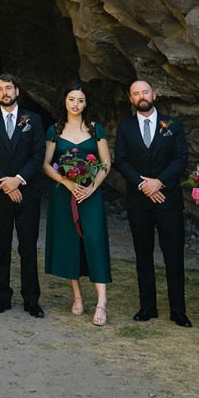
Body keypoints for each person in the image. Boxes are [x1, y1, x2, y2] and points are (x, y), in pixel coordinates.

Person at [113, 79, 191, 326]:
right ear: (131, 99)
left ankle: (178, 311)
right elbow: (121, 161)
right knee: (143, 255)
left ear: (154, 95)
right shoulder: (125, 127)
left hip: (168, 200)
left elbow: (181, 159)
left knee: (174, 256)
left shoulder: (173, 125)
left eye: (145, 91)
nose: (141, 96)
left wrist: (159, 183)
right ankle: (147, 307)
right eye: (136, 93)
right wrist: (143, 185)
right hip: (139, 201)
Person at [0, 73, 46, 316]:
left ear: (17, 91)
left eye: (8, 88)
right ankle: (3, 295)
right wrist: (5, 184)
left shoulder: (34, 120)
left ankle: (31, 298)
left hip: (28, 192)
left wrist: (18, 180)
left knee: (27, 246)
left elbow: (39, 156)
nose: (4, 92)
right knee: (1, 244)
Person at [43, 84, 112, 326]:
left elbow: (105, 163)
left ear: (85, 104)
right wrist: (66, 182)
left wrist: (92, 187)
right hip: (65, 193)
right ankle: (77, 296)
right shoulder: (55, 129)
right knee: (71, 241)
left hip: (90, 194)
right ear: (65, 102)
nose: (75, 104)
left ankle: (102, 302)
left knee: (94, 239)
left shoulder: (95, 129)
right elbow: (45, 164)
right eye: (71, 99)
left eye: (80, 100)